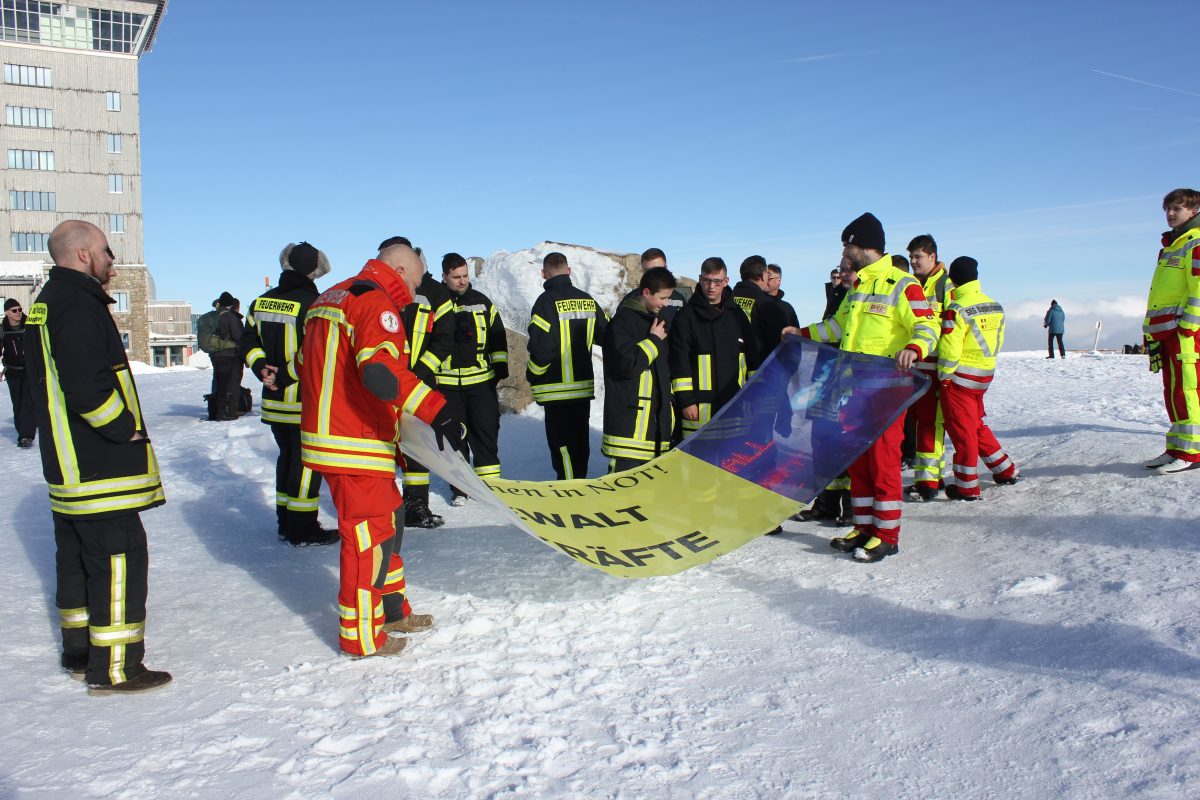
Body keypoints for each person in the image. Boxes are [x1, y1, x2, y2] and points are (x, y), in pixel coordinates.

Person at [23, 220, 171, 693]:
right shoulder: (76, 304)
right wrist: (122, 428)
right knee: (119, 560)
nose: (112, 261)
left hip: (69, 467)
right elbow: (88, 385)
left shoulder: (48, 303)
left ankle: (81, 653)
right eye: (107, 252)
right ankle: (115, 668)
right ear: (84, 254)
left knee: (77, 562)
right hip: (98, 466)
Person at [299, 241, 463, 658]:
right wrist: (437, 410)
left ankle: (391, 609)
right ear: (402, 268)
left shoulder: (331, 296)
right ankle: (362, 637)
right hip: (354, 441)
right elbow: (380, 372)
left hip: (335, 436)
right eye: (418, 278)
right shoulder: (376, 302)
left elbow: (306, 363)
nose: (417, 289)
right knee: (368, 539)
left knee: (388, 521)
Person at [786, 212, 938, 562]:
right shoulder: (858, 286)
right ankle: (865, 526)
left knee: (884, 462)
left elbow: (927, 326)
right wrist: (803, 333)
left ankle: (886, 534)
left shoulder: (903, 284)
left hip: (885, 390)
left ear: (865, 246)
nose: (845, 252)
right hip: (852, 389)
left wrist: (914, 348)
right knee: (860, 462)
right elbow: (838, 327)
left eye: (848, 245)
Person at [240, 241, 338, 547]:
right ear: (314, 270)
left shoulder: (260, 302)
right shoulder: (315, 304)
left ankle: (285, 522)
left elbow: (248, 343)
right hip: (304, 401)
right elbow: (314, 354)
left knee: (286, 460)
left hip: (273, 402)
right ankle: (303, 527)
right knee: (306, 465)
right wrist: (283, 375)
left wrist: (263, 372)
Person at [379, 236, 455, 529]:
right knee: (383, 447)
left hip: (418, 384)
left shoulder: (436, 293)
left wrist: (421, 372)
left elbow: (444, 338)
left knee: (417, 449)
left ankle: (415, 506)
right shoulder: (377, 292)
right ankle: (386, 509)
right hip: (383, 384)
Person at [937, 257, 1021, 499]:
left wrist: (945, 377)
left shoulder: (956, 309)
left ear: (953, 279)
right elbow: (999, 339)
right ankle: (1005, 469)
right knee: (975, 425)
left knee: (963, 433)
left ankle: (967, 487)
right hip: (984, 375)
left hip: (959, 379)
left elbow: (950, 349)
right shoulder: (994, 305)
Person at [527, 251, 608, 480]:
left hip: (556, 391)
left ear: (544, 274)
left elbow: (542, 351)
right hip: (582, 389)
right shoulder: (587, 299)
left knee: (561, 444)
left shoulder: (545, 303)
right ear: (569, 270)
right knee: (580, 441)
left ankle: (569, 489)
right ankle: (579, 482)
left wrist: (532, 375)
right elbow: (607, 336)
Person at [437, 252, 509, 503]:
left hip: (481, 383)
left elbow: (497, 337)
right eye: (456, 277)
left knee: (486, 434)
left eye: (465, 275)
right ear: (444, 276)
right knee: (453, 439)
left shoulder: (482, 302)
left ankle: (491, 487)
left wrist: (500, 369)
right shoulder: (436, 303)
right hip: (446, 385)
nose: (462, 281)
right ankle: (460, 489)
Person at [1143, 188, 1200, 473]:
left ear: (1194, 211)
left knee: (1188, 390)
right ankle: (1176, 448)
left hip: (1185, 332)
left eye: (1178, 208)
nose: (1171, 213)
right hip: (1167, 330)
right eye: (1168, 208)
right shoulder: (1172, 243)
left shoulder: (1196, 241)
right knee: (1174, 390)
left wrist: (1188, 327)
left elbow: (1199, 288)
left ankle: (1191, 453)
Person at [602, 267, 677, 471]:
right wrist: (653, 341)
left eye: (668, 298)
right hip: (629, 435)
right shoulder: (623, 322)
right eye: (662, 297)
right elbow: (626, 365)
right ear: (646, 292)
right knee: (621, 496)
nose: (666, 303)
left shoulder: (655, 320)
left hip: (652, 434)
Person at [669, 257, 751, 439]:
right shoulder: (685, 317)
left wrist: (754, 394)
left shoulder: (737, 316)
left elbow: (752, 358)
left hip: (734, 405)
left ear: (726, 282)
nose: (711, 286)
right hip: (699, 410)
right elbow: (679, 361)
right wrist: (686, 401)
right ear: (700, 279)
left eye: (717, 281)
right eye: (706, 281)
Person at [903, 234, 951, 501]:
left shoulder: (946, 286)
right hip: (918, 366)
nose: (913, 262)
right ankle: (934, 477)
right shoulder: (914, 285)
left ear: (932, 257)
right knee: (924, 422)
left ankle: (928, 484)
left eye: (917, 257)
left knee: (930, 424)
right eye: (911, 257)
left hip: (936, 367)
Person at [733, 255, 791, 374]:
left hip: (730, 375)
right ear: (761, 275)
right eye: (767, 274)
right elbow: (781, 344)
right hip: (760, 375)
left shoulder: (727, 300)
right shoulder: (767, 305)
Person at [2, 298, 36, 447]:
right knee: (18, 403)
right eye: (14, 310)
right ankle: (22, 431)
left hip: (29, 371)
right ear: (7, 313)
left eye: (20, 309)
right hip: (12, 372)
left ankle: (26, 436)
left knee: (28, 403)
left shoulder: (30, 326)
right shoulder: (3, 330)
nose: (18, 313)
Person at [210, 291, 243, 421]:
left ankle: (217, 410)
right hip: (229, 354)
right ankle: (231, 411)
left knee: (219, 382)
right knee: (233, 382)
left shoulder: (212, 316)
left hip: (214, 354)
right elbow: (238, 336)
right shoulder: (231, 317)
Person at [765, 263, 800, 327]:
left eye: (768, 278)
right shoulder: (754, 301)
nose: (764, 281)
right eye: (763, 278)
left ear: (779, 280)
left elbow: (795, 334)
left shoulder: (787, 308)